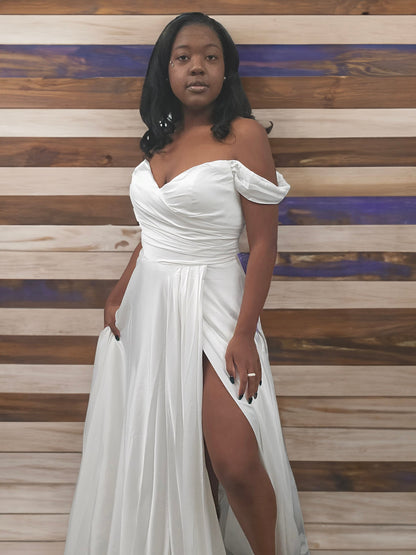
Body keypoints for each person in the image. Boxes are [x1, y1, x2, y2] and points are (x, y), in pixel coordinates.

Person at [64, 11, 310, 555]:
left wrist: (243, 333)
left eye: (210, 57)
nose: (197, 66)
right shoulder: (160, 141)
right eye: (184, 57)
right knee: (174, 451)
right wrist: (119, 290)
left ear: (226, 70)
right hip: (149, 308)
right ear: (166, 70)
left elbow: (263, 245)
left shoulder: (244, 136)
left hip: (214, 303)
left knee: (234, 459)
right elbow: (155, 232)